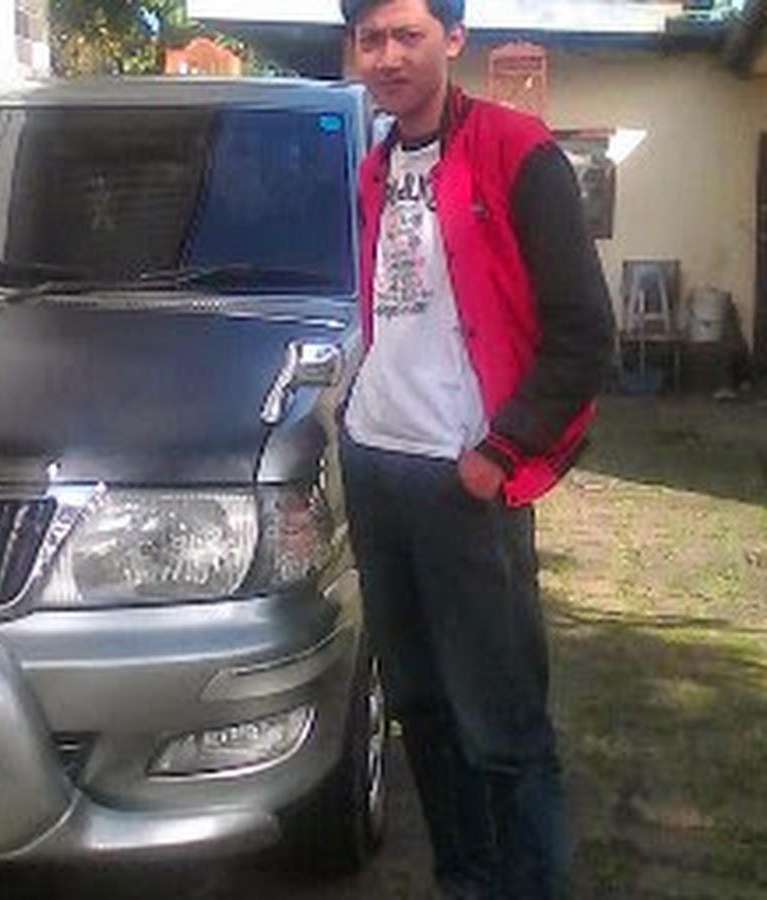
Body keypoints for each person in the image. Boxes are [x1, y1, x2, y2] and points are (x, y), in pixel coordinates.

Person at [337, 1, 615, 897]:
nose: (387, 56)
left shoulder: (517, 152)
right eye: (371, 39)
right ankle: (465, 881)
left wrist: (501, 450)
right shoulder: (376, 168)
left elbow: (584, 334)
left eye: (407, 35)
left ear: (453, 39)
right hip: (377, 467)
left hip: (464, 481)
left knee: (500, 722)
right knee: (419, 708)